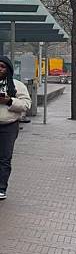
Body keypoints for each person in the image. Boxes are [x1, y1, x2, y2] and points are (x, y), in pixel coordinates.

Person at [0, 56, 32, 200]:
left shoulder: (17, 85)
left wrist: (9, 101)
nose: (0, 69)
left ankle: (1, 187)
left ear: (8, 69)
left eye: (2, 66)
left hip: (8, 126)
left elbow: (26, 104)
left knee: (4, 158)